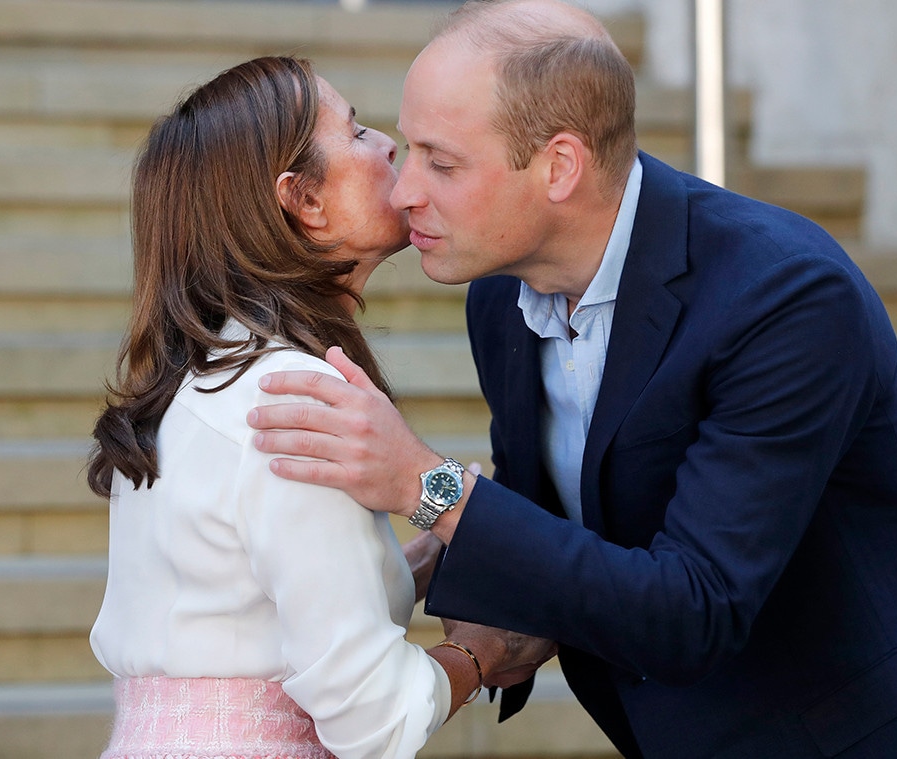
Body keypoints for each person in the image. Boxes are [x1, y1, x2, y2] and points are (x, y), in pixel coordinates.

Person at [246, 3, 897, 757]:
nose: (404, 190)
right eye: (407, 148)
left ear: (560, 167)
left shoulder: (787, 297)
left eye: (442, 162)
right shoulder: (500, 297)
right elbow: (564, 514)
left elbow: (693, 610)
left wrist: (425, 485)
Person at [86, 55, 555, 759]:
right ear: (303, 199)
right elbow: (373, 717)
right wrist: (480, 654)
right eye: (358, 131)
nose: (388, 144)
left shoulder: (209, 377)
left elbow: (251, 603)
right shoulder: (297, 399)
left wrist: (421, 559)